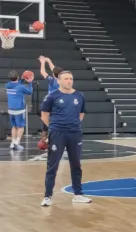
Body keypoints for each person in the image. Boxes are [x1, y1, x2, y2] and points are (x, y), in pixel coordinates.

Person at [40, 70, 91, 206]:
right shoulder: (52, 96)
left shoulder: (79, 95)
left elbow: (81, 114)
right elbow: (44, 115)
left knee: (76, 164)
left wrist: (73, 125)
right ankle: (47, 196)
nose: (69, 81)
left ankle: (78, 194)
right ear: (59, 81)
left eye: (71, 78)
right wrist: (54, 127)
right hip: (57, 134)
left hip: (75, 133)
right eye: (66, 78)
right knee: (52, 165)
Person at [6, 70, 34, 151]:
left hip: (11, 109)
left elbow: (17, 83)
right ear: (17, 77)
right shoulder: (20, 87)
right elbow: (30, 92)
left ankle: (13, 143)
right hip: (19, 110)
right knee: (21, 127)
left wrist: (22, 79)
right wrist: (30, 82)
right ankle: (17, 143)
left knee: (14, 126)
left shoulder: (8, 85)